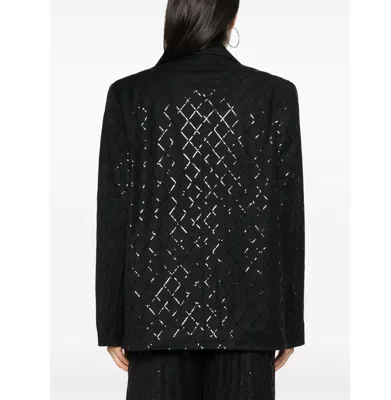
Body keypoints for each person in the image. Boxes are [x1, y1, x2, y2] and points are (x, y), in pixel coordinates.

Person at [95, 0, 305, 398]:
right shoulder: (275, 95)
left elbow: (113, 214)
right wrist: (289, 323)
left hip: (155, 317)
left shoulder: (129, 95)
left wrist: (112, 322)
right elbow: (288, 216)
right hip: (249, 317)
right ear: (231, 19)